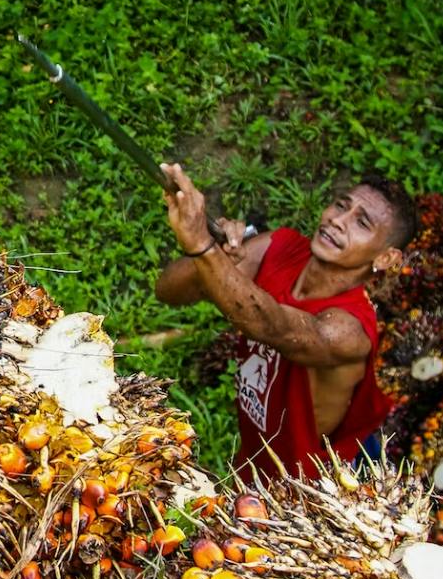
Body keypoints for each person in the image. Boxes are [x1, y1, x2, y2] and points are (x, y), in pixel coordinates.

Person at [154, 163, 417, 480]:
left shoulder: (350, 330)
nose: (337, 221)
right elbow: (169, 291)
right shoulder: (279, 248)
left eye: (361, 223)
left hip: (319, 486)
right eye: (341, 206)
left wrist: (202, 246)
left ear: (386, 258)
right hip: (262, 461)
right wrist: (216, 254)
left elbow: (272, 326)